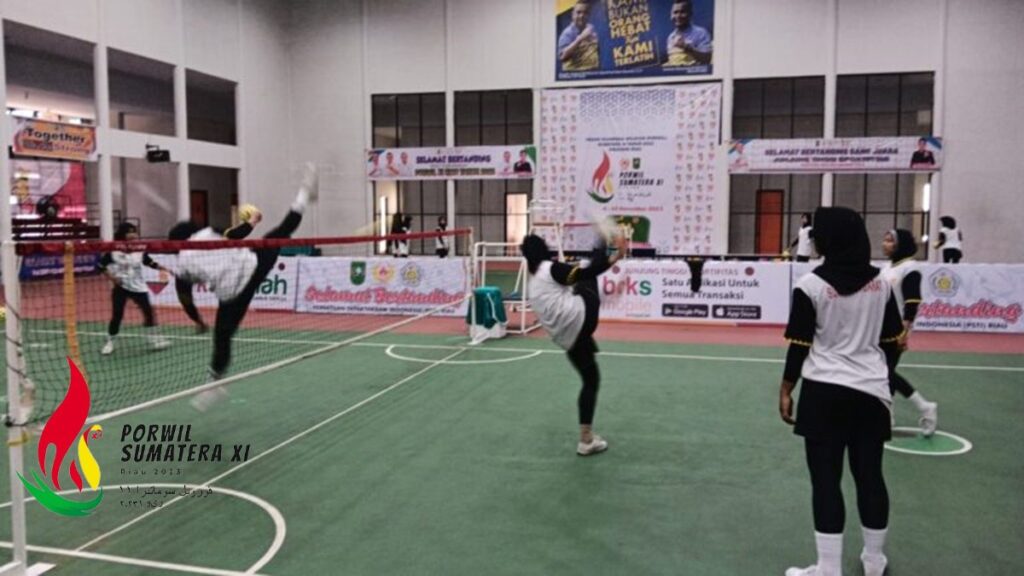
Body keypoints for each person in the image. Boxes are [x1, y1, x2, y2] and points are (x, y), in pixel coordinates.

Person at [779, 207, 905, 576]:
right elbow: (892, 342)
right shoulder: (882, 284)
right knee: (870, 478)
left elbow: (799, 346)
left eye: (819, 233)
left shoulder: (810, 287)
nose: (815, 238)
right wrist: (879, 375)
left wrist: (786, 389)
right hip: (870, 395)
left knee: (825, 481)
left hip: (823, 394)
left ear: (831, 240)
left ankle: (828, 568)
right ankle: (874, 561)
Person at [169, 163, 318, 410]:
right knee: (281, 231)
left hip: (233, 294)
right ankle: (303, 194)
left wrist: (197, 321)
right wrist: (253, 223)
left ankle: (213, 384)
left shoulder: (182, 264)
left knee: (222, 337)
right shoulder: (209, 232)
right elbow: (234, 234)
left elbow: (184, 296)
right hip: (253, 266)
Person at [521, 230, 628, 456]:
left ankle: (586, 440)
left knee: (591, 379)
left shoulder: (533, 284)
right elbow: (589, 270)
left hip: (568, 339)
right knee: (586, 274)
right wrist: (612, 252)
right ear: (544, 250)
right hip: (582, 320)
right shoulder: (549, 269)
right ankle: (603, 243)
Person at [881, 229, 938, 436]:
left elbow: (912, 301)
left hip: (896, 331)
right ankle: (888, 416)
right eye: (885, 240)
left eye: (889, 241)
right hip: (881, 329)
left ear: (900, 244)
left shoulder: (910, 268)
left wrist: (905, 332)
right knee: (884, 374)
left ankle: (925, 407)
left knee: (883, 373)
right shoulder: (886, 268)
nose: (884, 244)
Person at [99, 222, 172, 356]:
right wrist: (113, 278)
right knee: (117, 315)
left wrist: (161, 267)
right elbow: (100, 266)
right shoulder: (113, 250)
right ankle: (110, 342)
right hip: (121, 287)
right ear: (123, 234)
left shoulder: (140, 248)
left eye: (135, 232)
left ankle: (154, 340)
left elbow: (148, 261)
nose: (133, 235)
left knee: (149, 312)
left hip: (138, 287)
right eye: (130, 232)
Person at [664, 0, 712, 68]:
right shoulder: (670, 37)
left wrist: (686, 47)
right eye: (675, 12)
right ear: (671, 15)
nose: (678, 16)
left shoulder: (701, 33)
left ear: (690, 14)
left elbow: (707, 59)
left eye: (682, 12)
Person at [557, 1, 599, 72]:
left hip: (591, 74)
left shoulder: (591, 29)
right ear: (572, 14)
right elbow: (562, 57)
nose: (582, 16)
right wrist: (580, 38)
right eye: (578, 12)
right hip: (575, 76)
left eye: (585, 13)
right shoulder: (567, 33)